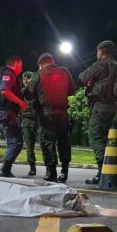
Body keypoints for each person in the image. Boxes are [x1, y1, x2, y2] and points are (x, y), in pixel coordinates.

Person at [78, 40, 117, 185]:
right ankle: (109, 170)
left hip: (100, 105)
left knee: (95, 136)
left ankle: (101, 171)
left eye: (98, 51)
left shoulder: (102, 64)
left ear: (102, 51)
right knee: (107, 140)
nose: (97, 53)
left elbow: (82, 77)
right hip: (113, 106)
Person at [25, 53, 76, 182]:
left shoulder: (39, 74)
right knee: (64, 141)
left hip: (46, 114)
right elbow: (72, 90)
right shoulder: (65, 72)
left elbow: (29, 94)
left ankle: (51, 172)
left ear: (41, 64)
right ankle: (64, 171)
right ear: (52, 61)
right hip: (63, 113)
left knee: (48, 142)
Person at [0, 55, 28, 177]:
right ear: (16, 63)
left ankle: (6, 170)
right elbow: (4, 91)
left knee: (12, 142)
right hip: (7, 113)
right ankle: (4, 170)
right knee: (16, 142)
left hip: (2, 113)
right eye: (21, 66)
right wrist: (20, 102)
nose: (21, 70)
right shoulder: (9, 73)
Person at [20, 71, 39, 176]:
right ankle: (32, 167)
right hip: (27, 120)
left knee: (46, 144)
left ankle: (50, 168)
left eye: (28, 78)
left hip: (39, 119)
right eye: (24, 79)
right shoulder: (23, 91)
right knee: (29, 145)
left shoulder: (38, 90)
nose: (25, 80)